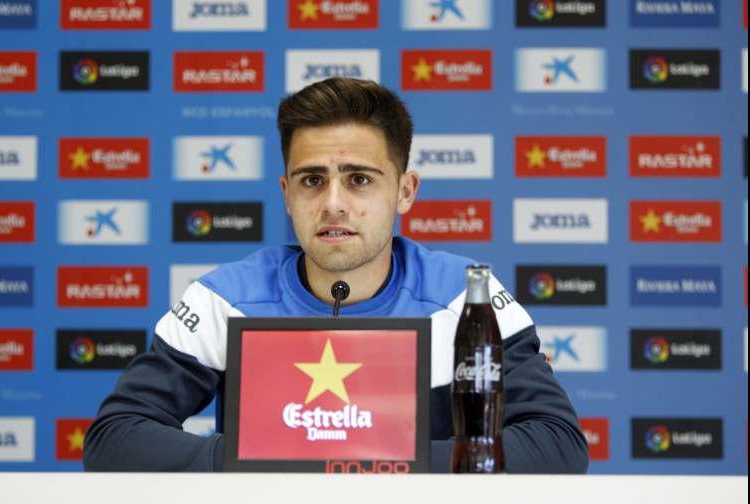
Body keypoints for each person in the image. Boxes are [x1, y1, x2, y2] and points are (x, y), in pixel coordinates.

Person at [83, 77, 589, 473]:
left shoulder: (464, 296)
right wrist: (254, 462)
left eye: (359, 179)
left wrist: (390, 465)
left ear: (405, 191)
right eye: (312, 180)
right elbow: (115, 438)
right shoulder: (226, 298)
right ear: (287, 193)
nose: (333, 204)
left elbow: (557, 442)